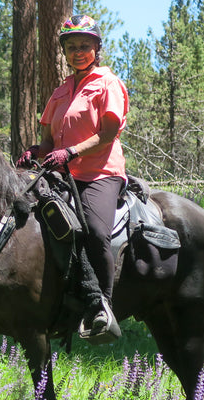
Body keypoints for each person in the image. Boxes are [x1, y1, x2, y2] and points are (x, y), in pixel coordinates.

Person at [17, 14, 128, 341]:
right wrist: (37, 151)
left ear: (97, 48)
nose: (78, 52)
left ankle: (102, 309)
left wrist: (72, 152)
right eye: (71, 47)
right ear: (63, 51)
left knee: (94, 232)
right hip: (62, 174)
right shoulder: (62, 90)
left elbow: (108, 133)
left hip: (99, 173)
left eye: (85, 46)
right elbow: (51, 139)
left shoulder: (108, 83)